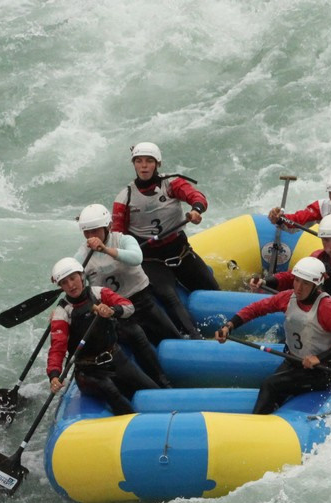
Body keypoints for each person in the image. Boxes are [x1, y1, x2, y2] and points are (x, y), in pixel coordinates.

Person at [215, 257, 331, 415]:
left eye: (305, 283)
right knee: (272, 388)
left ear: (316, 285)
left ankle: (256, 425)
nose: (299, 288)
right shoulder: (288, 297)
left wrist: (319, 358)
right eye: (297, 281)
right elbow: (256, 308)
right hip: (293, 361)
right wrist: (229, 326)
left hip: (321, 370)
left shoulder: (329, 308)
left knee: (270, 384)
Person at [110, 141, 217, 338]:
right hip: (150, 259)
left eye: (149, 161)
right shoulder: (124, 198)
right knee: (169, 296)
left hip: (180, 251)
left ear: (157, 164)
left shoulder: (172, 184)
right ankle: (195, 338)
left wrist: (196, 210)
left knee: (211, 287)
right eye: (139, 161)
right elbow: (117, 236)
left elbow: (197, 196)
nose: (144, 166)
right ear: (134, 164)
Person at [72, 203, 176, 387]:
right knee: (136, 335)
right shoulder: (82, 255)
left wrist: (105, 249)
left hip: (143, 302)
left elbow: (136, 258)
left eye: (95, 231)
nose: (90, 237)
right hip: (117, 312)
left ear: (108, 227)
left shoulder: (123, 240)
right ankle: (162, 382)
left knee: (171, 333)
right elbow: (74, 281)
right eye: (86, 232)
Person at [250, 214, 331, 349]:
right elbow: (294, 277)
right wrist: (266, 282)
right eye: (326, 240)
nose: (330, 247)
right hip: (327, 318)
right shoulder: (319, 256)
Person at [47, 257, 157, 416]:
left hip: (116, 358)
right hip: (88, 372)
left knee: (152, 389)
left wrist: (112, 311)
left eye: (73, 278)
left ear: (81, 276)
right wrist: (54, 375)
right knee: (110, 390)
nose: (70, 285)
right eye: (64, 282)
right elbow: (57, 349)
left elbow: (129, 307)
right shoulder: (61, 313)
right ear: (61, 286)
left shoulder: (99, 293)